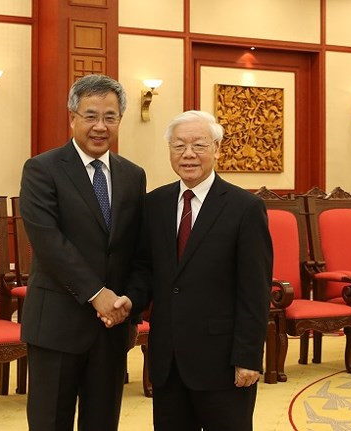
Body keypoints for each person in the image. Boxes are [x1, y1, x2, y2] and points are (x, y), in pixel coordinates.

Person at [124, 110, 272, 431]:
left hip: (223, 361)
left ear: (217, 149)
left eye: (198, 145)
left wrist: (248, 356)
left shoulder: (244, 208)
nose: (188, 154)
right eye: (179, 146)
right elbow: (144, 270)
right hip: (167, 359)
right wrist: (128, 309)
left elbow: (255, 290)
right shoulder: (155, 204)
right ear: (170, 152)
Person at [19, 74, 146, 431]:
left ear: (120, 120)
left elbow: (137, 249)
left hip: (111, 329)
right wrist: (97, 294)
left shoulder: (132, 176)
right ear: (72, 117)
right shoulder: (42, 169)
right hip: (57, 325)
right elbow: (49, 242)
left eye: (110, 116)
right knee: (50, 423)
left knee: (103, 422)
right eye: (90, 115)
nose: (100, 126)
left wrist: (128, 305)